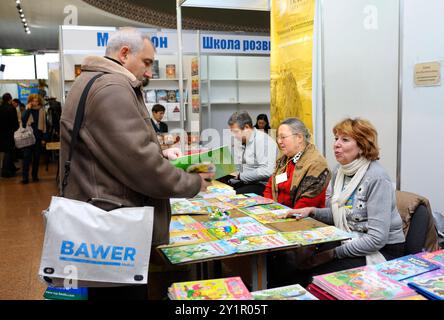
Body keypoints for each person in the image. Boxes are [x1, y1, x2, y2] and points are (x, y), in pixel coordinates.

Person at [59, 27, 213, 300]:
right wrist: (193, 182)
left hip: (102, 217)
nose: (150, 72)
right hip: (115, 227)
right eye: (147, 62)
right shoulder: (112, 88)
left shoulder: (92, 81)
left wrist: (160, 153)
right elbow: (142, 167)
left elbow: (113, 150)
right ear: (124, 53)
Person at [286, 118, 405, 284]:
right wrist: (312, 212)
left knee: (315, 278)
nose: (336, 144)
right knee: (295, 268)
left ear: (363, 145)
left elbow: (377, 239)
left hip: (382, 251)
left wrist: (334, 253)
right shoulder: (339, 172)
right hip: (350, 239)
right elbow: (342, 215)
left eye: (345, 139)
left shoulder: (377, 178)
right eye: (336, 139)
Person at [263, 118, 331, 209]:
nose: (279, 141)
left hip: (302, 219)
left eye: (283, 137)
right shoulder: (284, 159)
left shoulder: (316, 164)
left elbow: (305, 204)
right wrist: (268, 209)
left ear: (299, 137)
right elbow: (270, 187)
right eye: (278, 137)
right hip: (277, 213)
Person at [225, 111, 278, 195]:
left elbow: (268, 170)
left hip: (260, 185)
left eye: (235, 132)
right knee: (218, 186)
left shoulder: (264, 141)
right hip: (243, 181)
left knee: (230, 196)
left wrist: (240, 176)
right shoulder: (241, 141)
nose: (234, 135)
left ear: (246, 127)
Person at [21, 94, 47, 183]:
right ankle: (25, 178)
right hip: (28, 137)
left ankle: (35, 176)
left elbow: (45, 125)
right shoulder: (27, 110)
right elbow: (23, 120)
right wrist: (28, 109)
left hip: (38, 138)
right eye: (33, 100)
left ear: (39, 101)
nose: (34, 102)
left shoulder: (42, 110)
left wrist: (44, 138)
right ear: (30, 101)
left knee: (36, 158)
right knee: (26, 158)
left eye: (36, 101)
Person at [0, 93, 19, 177]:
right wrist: (15, 129)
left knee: (8, 150)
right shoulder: (11, 108)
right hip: (9, 133)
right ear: (10, 99)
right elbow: (14, 122)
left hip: (1, 133)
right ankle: (5, 172)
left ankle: (12, 168)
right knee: (8, 151)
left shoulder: (0, 107)